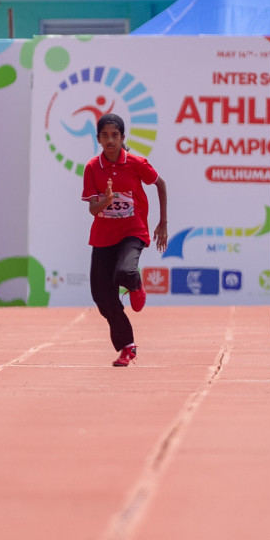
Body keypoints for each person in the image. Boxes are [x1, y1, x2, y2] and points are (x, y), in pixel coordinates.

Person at [83, 114, 167, 367]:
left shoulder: (135, 163)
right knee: (102, 298)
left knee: (124, 271)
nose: (110, 140)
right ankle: (127, 347)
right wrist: (105, 202)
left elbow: (160, 184)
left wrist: (162, 224)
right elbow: (92, 209)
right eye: (105, 136)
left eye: (115, 135)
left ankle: (135, 285)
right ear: (98, 139)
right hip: (103, 237)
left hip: (132, 230)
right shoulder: (92, 168)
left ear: (122, 138)